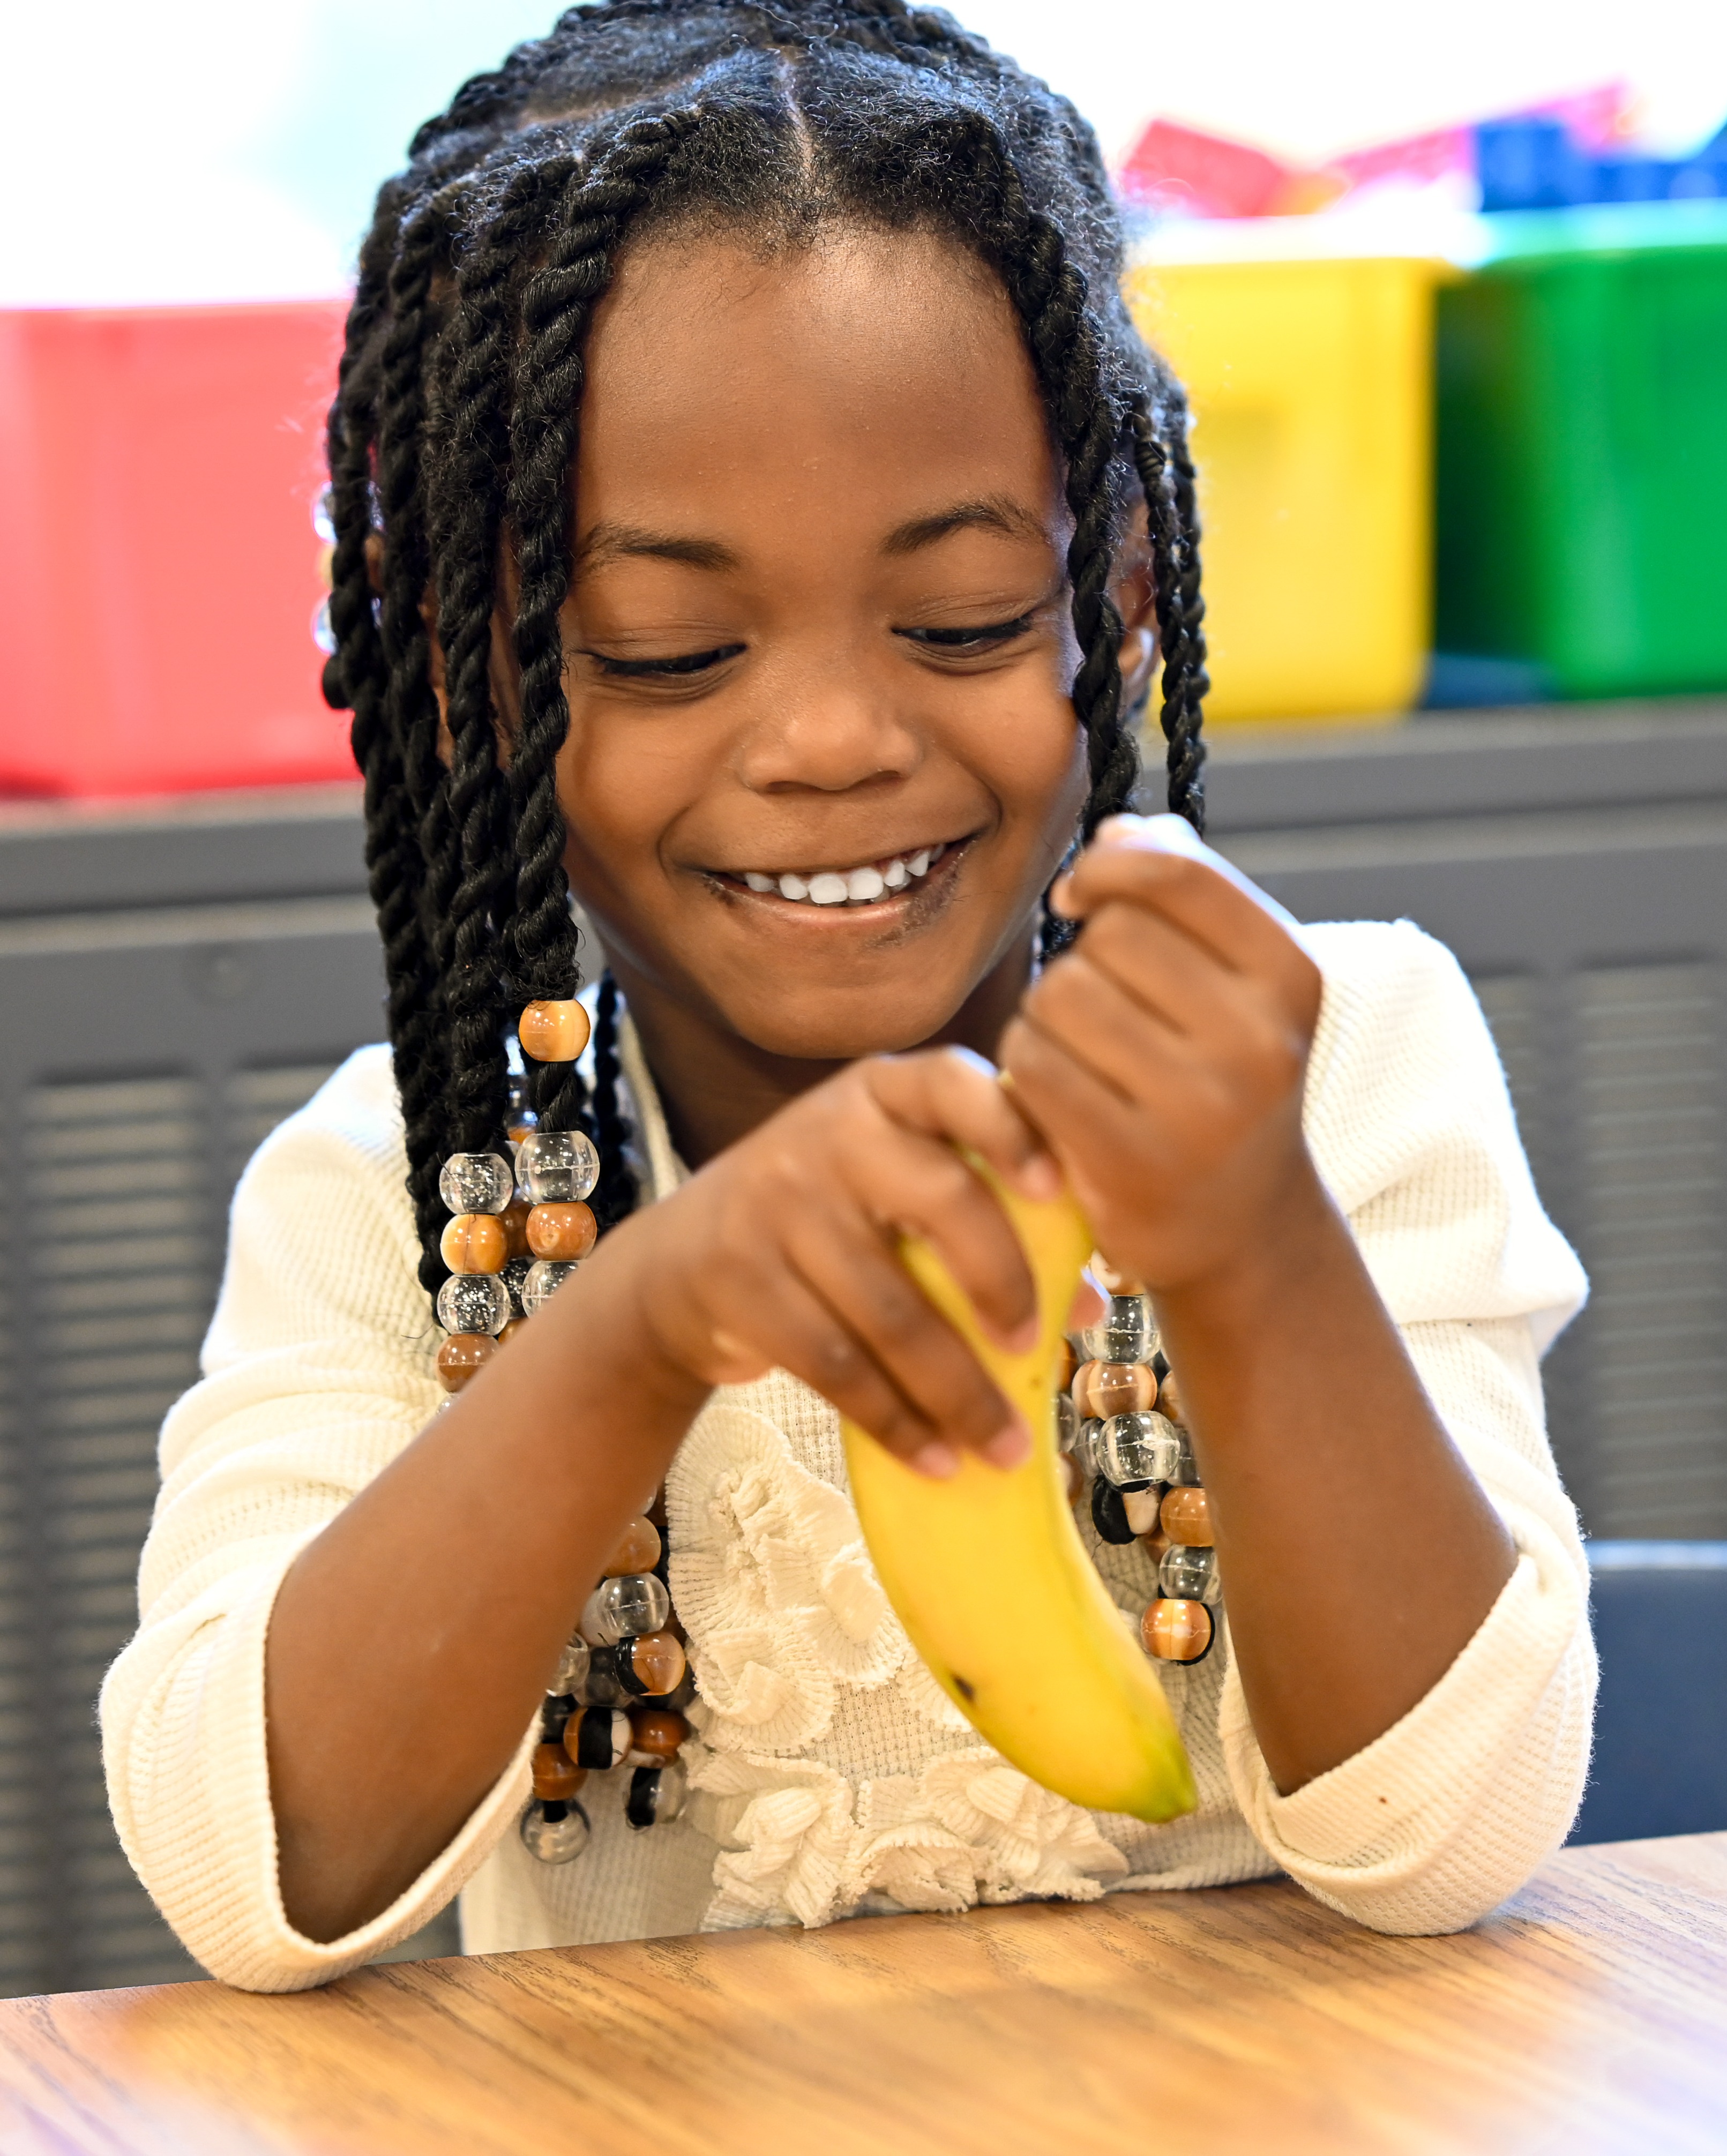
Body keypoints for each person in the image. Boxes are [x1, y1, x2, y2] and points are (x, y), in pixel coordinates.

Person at [101, 0, 1594, 1992]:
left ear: (1120, 593)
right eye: (663, 651)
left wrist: (1249, 1254)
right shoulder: (408, 1183)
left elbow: (1454, 1838)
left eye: (964, 621)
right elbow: (238, 1871)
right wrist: (634, 1327)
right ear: (468, 679)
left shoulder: (1343, 1063)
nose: (827, 739)